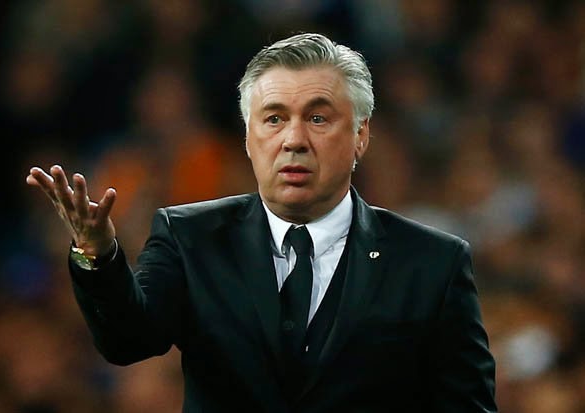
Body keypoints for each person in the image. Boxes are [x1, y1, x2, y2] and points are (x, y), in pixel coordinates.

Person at [26, 32, 497, 412]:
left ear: (360, 135)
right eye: (274, 119)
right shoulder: (190, 237)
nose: (294, 139)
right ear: (249, 139)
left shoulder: (433, 262)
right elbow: (128, 341)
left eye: (318, 118)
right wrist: (97, 255)